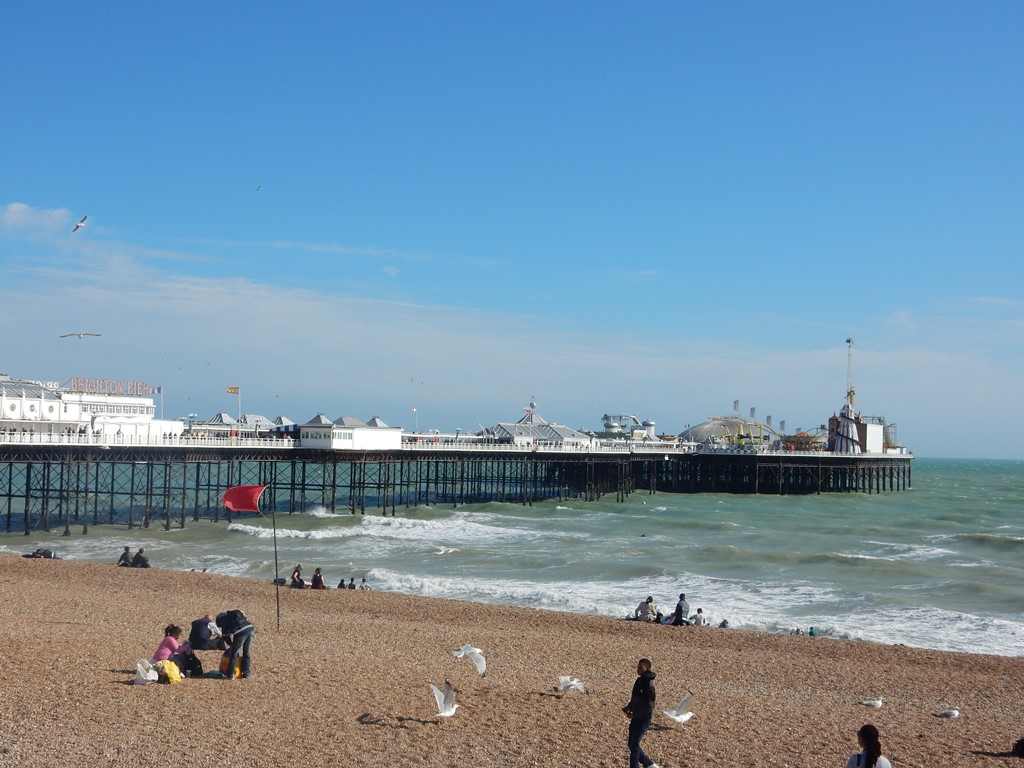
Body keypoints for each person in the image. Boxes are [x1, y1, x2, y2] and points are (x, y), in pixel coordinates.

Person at [622, 658, 660, 768]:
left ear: (647, 669)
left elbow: (649, 707)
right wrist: (628, 707)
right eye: (637, 667)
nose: (638, 670)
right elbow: (635, 699)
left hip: (643, 720)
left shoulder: (649, 685)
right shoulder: (639, 681)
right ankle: (649, 764)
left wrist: (635, 714)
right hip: (635, 718)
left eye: (641, 668)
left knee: (634, 745)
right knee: (631, 744)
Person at [216, 609, 255, 680]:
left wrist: (231, 645)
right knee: (246, 652)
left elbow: (226, 636)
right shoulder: (232, 616)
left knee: (233, 653)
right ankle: (246, 673)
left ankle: (230, 675)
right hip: (250, 627)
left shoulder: (224, 621)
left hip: (241, 631)